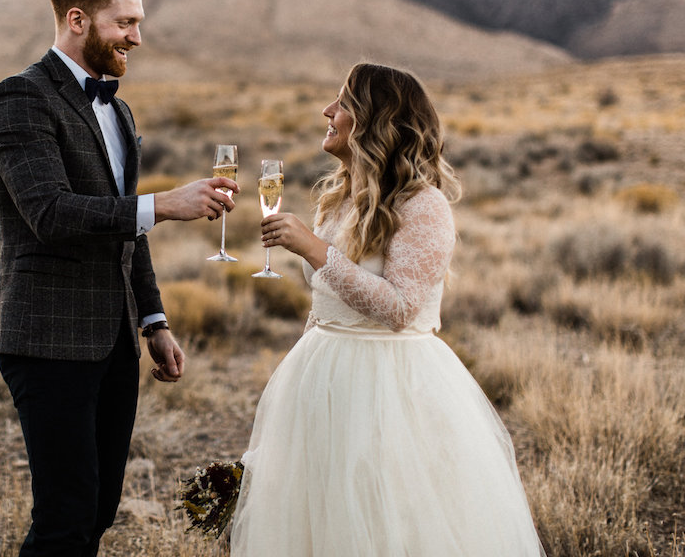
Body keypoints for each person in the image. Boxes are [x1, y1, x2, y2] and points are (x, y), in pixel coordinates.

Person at [230, 63, 545, 556]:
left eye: (342, 103)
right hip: (323, 375)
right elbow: (327, 297)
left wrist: (314, 249)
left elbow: (400, 308)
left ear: (375, 121)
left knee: (386, 516)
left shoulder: (423, 205)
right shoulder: (339, 200)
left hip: (388, 385)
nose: (327, 112)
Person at [0, 0, 238, 557]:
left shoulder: (118, 111)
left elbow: (125, 233)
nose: (137, 37)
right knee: (65, 519)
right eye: (124, 22)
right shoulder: (20, 98)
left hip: (115, 340)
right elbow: (48, 213)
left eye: (138, 22)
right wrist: (163, 204)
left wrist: (154, 321)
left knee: (97, 511)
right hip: (47, 339)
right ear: (77, 20)